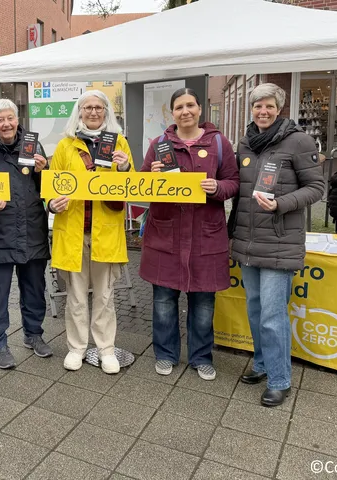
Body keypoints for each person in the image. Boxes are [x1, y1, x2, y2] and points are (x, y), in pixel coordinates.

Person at [228, 83, 325, 407]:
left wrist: (282, 203)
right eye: (257, 107)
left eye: (269, 106)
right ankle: (261, 364)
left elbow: (316, 187)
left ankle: (280, 379)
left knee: (272, 315)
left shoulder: (298, 141)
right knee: (255, 311)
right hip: (248, 240)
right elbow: (237, 188)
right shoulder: (245, 142)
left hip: (280, 242)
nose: (263, 112)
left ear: (279, 108)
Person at [140, 88, 239, 381]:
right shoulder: (158, 144)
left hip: (204, 237)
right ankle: (166, 354)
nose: (185, 111)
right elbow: (141, 186)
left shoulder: (219, 144)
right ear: (172, 113)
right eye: (179, 107)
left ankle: (201, 357)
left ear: (199, 109)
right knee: (163, 302)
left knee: (204, 304)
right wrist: (152, 177)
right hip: (166, 235)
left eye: (190, 105)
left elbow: (234, 182)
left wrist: (218, 189)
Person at [47, 90, 134, 375]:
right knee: (75, 295)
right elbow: (51, 186)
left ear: (106, 112)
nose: (93, 112)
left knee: (105, 296)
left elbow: (131, 187)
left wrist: (124, 167)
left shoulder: (120, 143)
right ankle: (76, 347)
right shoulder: (65, 146)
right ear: (79, 112)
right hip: (73, 231)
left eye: (99, 107)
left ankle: (106, 349)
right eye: (88, 108)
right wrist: (52, 203)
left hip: (105, 232)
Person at [0, 99, 52, 369]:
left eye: (10, 118)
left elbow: (46, 190)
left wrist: (45, 172)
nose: (6, 124)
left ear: (17, 120)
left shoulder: (35, 147)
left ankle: (34, 334)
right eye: (0, 119)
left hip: (32, 232)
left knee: (34, 290)